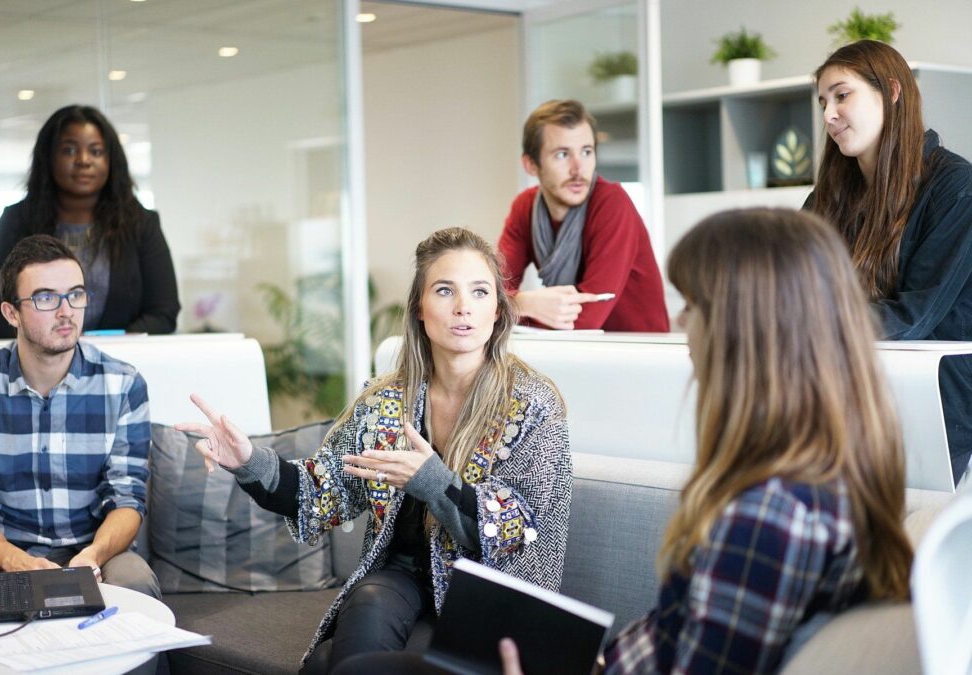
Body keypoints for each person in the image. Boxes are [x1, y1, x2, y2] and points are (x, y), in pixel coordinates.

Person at [339, 209, 914, 675]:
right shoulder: (819, 482)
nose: (683, 324)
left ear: (750, 332)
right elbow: (681, 637)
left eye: (694, 305)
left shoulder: (769, 518)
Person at [177, 227, 572, 673]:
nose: (463, 306)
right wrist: (249, 462)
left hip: (489, 592)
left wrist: (432, 481)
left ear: (497, 311)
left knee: (328, 662)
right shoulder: (386, 400)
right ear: (420, 309)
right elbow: (320, 489)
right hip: (401, 577)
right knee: (365, 605)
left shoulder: (534, 405)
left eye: (479, 292)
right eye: (445, 290)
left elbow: (516, 531)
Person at [0, 235, 159, 599]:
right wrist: (14, 560)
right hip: (3, 553)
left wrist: (93, 556)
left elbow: (127, 498)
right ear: (12, 313)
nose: (66, 311)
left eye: (75, 294)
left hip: (95, 550)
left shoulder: (123, 385)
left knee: (135, 582)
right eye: (45, 298)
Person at [806, 39, 972, 484]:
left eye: (842, 95)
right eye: (823, 102)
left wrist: (804, 324)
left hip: (937, 404)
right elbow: (790, 287)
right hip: (849, 390)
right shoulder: (826, 199)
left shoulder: (956, 187)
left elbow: (914, 315)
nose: (828, 115)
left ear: (892, 92)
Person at [0, 104, 180, 338]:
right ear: (48, 157)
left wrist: (102, 349)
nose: (83, 161)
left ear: (111, 161)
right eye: (69, 150)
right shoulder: (16, 222)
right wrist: (55, 346)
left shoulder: (141, 224)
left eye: (96, 151)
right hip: (38, 367)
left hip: (121, 365)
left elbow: (163, 313)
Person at [497, 99, 668, 332]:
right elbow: (489, 294)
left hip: (638, 354)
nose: (578, 169)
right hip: (575, 352)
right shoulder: (525, 207)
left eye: (586, 152)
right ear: (531, 165)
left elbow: (586, 319)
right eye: (562, 154)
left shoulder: (612, 203)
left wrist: (511, 307)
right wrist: (523, 302)